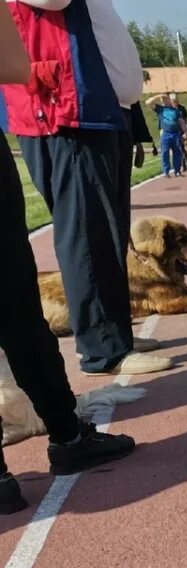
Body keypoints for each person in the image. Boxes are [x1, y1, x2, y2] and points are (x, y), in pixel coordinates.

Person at [0, 4, 137, 513]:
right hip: (59, 110)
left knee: (18, 303)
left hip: (75, 108)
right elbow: (15, 63)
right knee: (17, 302)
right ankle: (68, 429)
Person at [0, 0, 171, 377]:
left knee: (108, 236)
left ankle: (114, 333)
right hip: (64, 113)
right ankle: (102, 348)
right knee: (87, 236)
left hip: (101, 111)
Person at [153, 92, 186, 177]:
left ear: (169, 100)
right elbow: (147, 103)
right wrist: (158, 96)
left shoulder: (175, 110)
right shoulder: (160, 109)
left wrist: (185, 132)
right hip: (166, 133)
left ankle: (177, 170)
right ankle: (166, 171)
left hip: (176, 133)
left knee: (178, 152)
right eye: (162, 99)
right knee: (165, 153)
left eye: (165, 99)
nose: (163, 100)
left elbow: (181, 121)